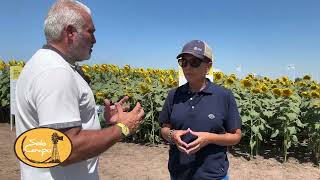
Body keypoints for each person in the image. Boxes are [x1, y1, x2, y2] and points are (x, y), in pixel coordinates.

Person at [15, 0, 144, 179]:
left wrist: (97, 115)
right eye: (90, 31)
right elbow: (65, 148)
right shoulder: (56, 72)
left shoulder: (42, 64)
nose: (95, 39)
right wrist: (123, 128)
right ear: (70, 32)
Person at [159, 40, 241, 180]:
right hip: (179, 173)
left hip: (213, 174)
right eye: (183, 62)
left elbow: (235, 136)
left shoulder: (224, 96)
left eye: (194, 62)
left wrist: (209, 138)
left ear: (208, 66)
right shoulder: (173, 95)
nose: (188, 67)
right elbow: (164, 129)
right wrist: (172, 135)